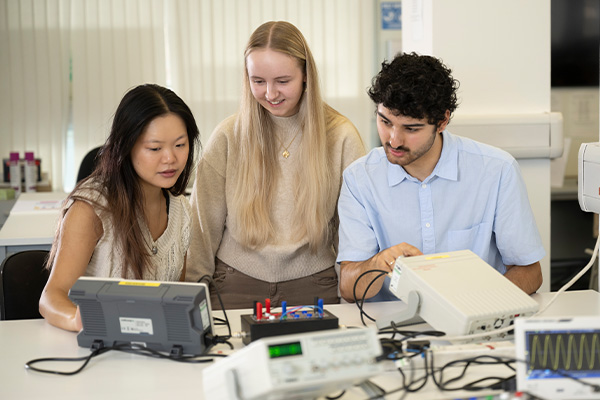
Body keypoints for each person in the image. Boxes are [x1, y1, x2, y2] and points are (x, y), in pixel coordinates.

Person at [337, 52, 545, 303]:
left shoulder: (496, 170)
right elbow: (349, 289)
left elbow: (531, 272)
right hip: (392, 328)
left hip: (474, 325)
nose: (394, 140)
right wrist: (378, 263)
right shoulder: (360, 179)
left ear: (443, 121)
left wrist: (480, 304)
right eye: (385, 121)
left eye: (411, 128)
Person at [187, 21, 366, 309]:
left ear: (306, 75)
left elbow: (352, 230)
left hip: (315, 284)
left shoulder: (342, 136)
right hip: (233, 283)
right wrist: (196, 292)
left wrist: (350, 292)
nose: (270, 94)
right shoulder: (228, 135)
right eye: (258, 81)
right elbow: (202, 225)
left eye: (283, 81)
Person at [39, 84, 200, 331]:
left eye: (180, 145)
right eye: (155, 148)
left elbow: (174, 298)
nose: (170, 158)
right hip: (95, 349)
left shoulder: (182, 211)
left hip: (151, 351)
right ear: (126, 147)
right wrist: (78, 320)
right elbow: (51, 297)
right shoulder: (92, 209)